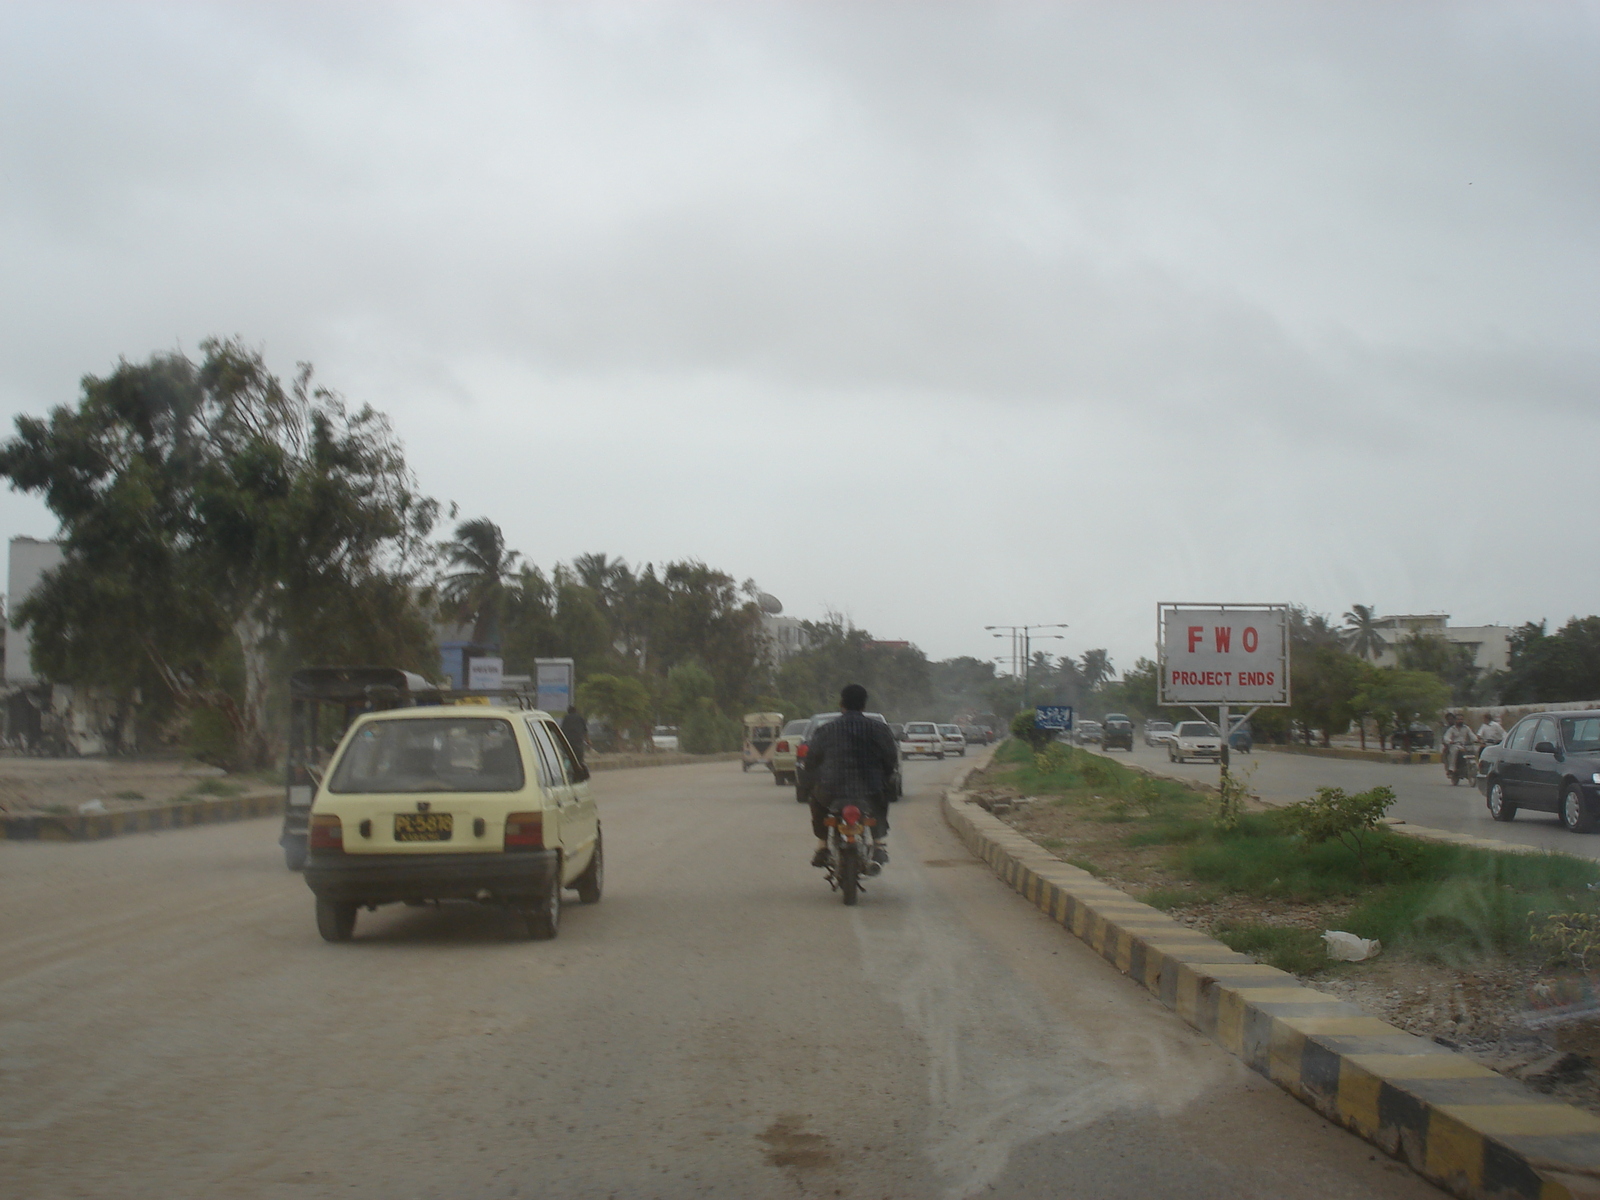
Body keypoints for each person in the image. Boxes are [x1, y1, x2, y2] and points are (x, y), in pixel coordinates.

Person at [803, 683, 899, 868]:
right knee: (881, 801)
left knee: (816, 801)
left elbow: (811, 761)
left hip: (830, 790)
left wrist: (814, 779)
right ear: (864, 705)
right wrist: (884, 778)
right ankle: (878, 843)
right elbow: (890, 759)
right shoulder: (879, 729)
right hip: (870, 790)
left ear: (841, 704)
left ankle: (822, 846)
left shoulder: (826, 730)